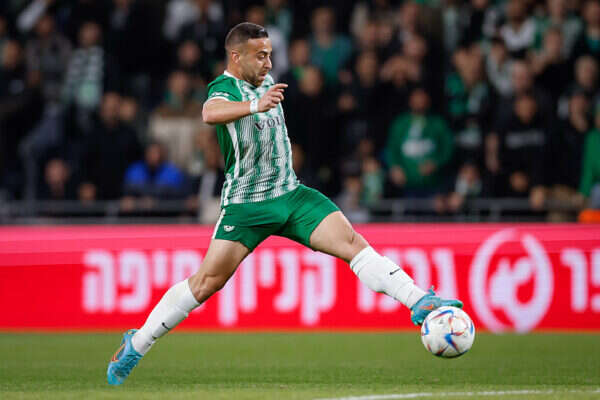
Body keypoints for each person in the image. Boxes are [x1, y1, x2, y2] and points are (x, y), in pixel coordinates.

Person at [106, 22, 463, 385]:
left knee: (353, 244)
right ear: (236, 57)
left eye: (270, 55)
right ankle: (137, 343)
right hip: (246, 205)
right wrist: (254, 105)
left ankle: (419, 301)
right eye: (260, 56)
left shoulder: (267, 80)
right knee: (205, 284)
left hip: (291, 195)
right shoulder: (224, 87)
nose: (268, 62)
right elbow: (210, 113)